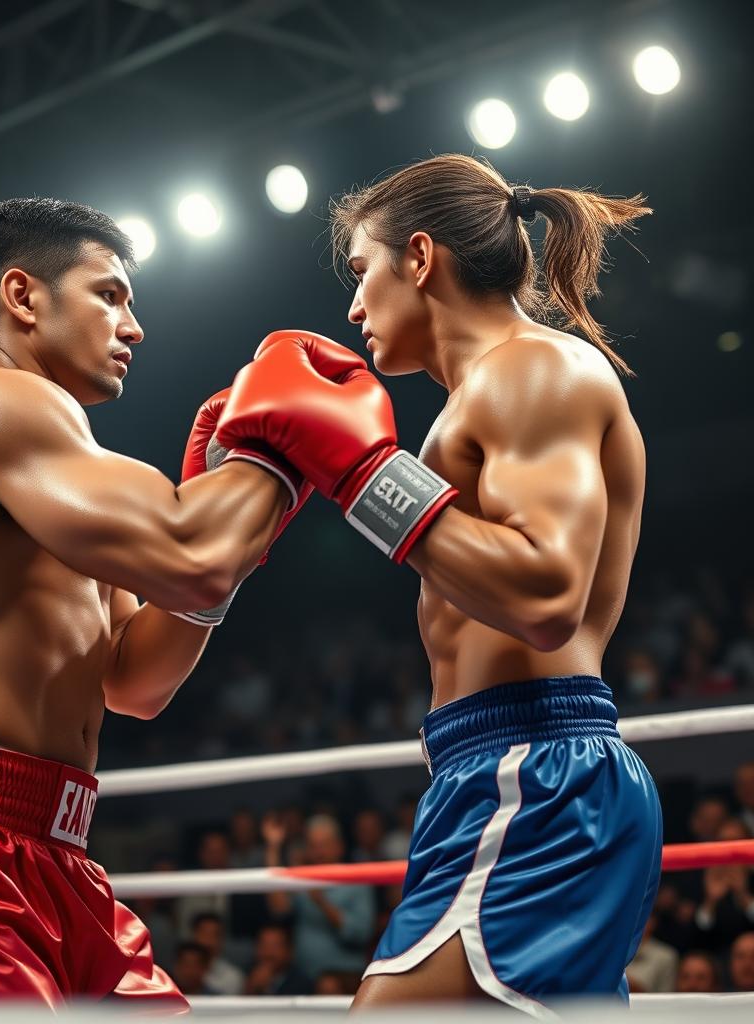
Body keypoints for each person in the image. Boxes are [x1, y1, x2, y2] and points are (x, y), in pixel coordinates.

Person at [0, 198, 306, 1008]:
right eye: (110, 294)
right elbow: (192, 554)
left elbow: (135, 681)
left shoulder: (59, 473)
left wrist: (244, 521)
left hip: (56, 849)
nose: (136, 326)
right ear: (23, 296)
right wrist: (277, 460)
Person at [213, 154, 662, 1012]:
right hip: (492, 772)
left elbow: (544, 596)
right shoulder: (484, 397)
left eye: (361, 270)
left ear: (419, 259)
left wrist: (357, 473)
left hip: (534, 771)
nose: (351, 308)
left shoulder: (534, 371)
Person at [264, 814, 374, 980]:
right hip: (304, 978)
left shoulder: (357, 881)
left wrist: (322, 902)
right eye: (313, 846)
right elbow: (279, 908)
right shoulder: (305, 879)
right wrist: (273, 846)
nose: (318, 852)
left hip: (344, 978)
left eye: (323, 845)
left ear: (339, 846)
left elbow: (360, 934)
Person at [245, 924, 311, 996]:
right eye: (263, 945)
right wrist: (252, 989)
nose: (268, 952)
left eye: (275, 946)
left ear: (289, 951)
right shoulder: (246, 975)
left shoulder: (302, 983)